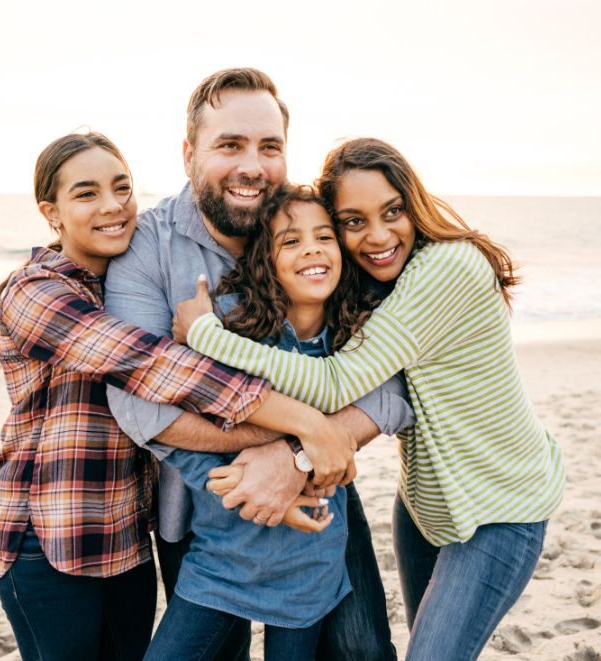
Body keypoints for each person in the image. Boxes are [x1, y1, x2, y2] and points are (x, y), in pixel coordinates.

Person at [175, 137, 566, 661]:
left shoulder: (446, 268)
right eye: (354, 222)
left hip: (501, 508)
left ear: (414, 204)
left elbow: (337, 383)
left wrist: (206, 334)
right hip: (426, 507)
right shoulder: (384, 281)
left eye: (393, 212)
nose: (378, 235)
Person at [0, 131, 356, 661]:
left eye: (122, 187)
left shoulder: (122, 277)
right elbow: (153, 365)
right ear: (52, 212)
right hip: (49, 539)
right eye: (86, 194)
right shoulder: (35, 292)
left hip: (128, 537)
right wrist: (308, 423)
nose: (113, 206)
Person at [106, 69, 408, 660]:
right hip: (202, 514)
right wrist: (303, 426)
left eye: (269, 147)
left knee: (363, 652)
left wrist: (296, 457)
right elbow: (138, 400)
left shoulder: (313, 224)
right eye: (230, 145)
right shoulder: (150, 245)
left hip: (319, 500)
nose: (253, 165)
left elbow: (390, 380)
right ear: (189, 152)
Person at [147, 184, 413, 660]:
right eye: (290, 241)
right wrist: (234, 486)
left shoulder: (357, 339)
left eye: (324, 236)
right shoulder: (229, 325)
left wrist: (301, 468)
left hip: (310, 559)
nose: (310, 248)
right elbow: (178, 432)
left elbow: (389, 402)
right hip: (223, 557)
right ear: (264, 260)